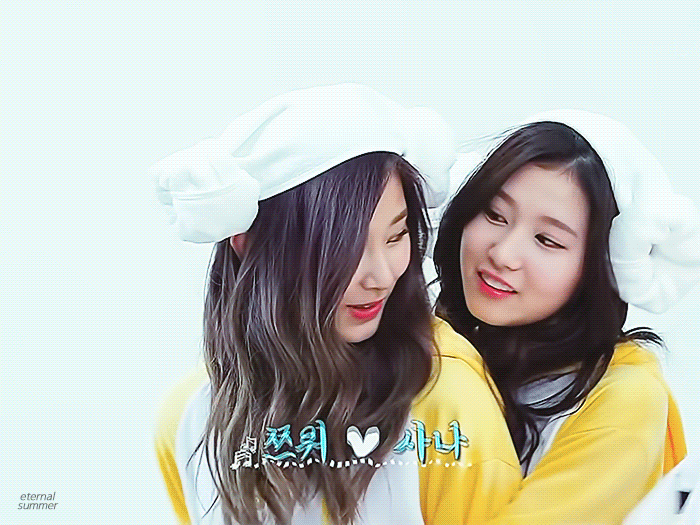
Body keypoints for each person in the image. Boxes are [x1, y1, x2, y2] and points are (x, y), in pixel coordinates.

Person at [152, 84, 521, 525]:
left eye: (397, 236)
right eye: (346, 249)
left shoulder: (445, 403)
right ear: (247, 243)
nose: (381, 277)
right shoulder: (191, 417)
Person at [433, 109, 699, 525]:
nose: (503, 254)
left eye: (547, 240)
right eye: (495, 215)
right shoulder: (435, 347)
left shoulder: (623, 399)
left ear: (601, 265)